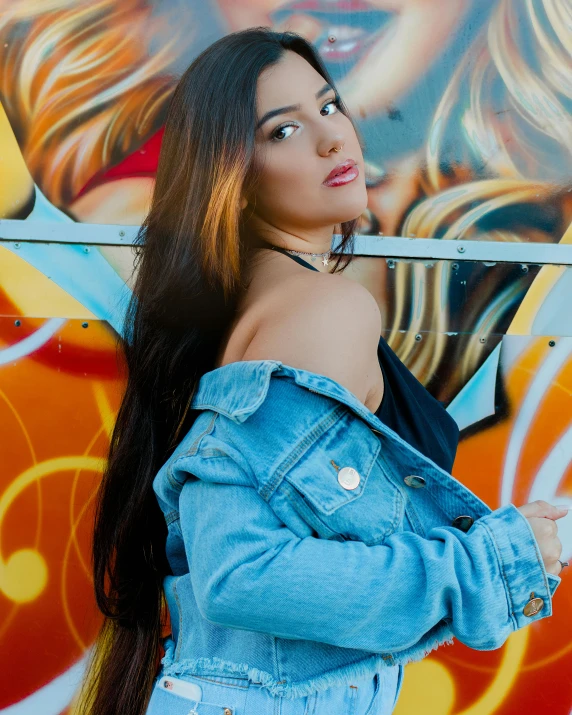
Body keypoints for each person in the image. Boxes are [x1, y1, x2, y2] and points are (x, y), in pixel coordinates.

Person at [76, 28, 567, 715]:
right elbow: (240, 571)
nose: (333, 139)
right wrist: (490, 564)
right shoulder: (327, 308)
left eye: (329, 107)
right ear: (231, 176)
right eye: (282, 131)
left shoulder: (255, 305)